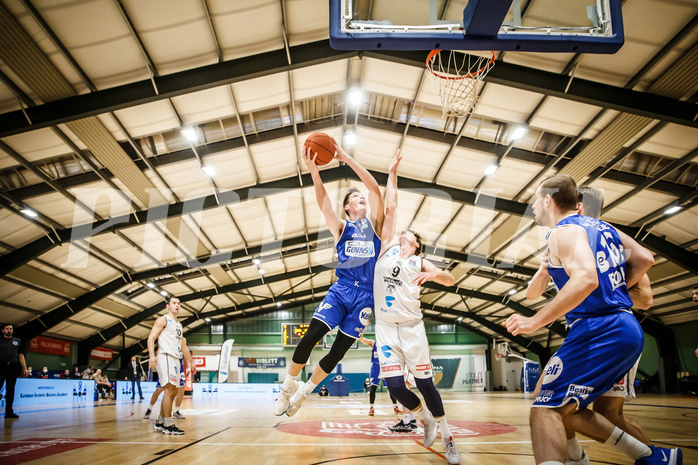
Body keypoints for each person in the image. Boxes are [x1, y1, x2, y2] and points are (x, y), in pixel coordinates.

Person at [505, 174, 680, 465]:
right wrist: (612, 285)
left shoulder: (565, 231)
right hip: (619, 327)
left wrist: (534, 321)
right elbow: (645, 256)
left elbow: (588, 279)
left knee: (546, 408)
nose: (533, 206)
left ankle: (639, 457)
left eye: (535, 200)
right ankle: (645, 458)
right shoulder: (605, 230)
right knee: (572, 407)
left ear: (548, 200)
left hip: (601, 329)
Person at [273, 143, 385, 417]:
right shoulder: (342, 227)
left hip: (366, 297)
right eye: (355, 197)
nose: (362, 197)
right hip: (342, 290)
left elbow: (374, 189)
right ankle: (287, 388)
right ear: (347, 207)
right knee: (311, 335)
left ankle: (303, 393)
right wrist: (314, 171)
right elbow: (323, 203)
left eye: (362, 196)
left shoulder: (376, 226)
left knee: (337, 353)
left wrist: (347, 158)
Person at [368, 151, 460, 463]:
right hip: (384, 328)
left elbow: (450, 279)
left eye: (408, 233)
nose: (401, 230)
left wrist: (434, 273)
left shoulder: (419, 260)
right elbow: (391, 204)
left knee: (424, 383)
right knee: (395, 387)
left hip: (410, 328)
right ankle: (426, 418)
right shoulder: (386, 249)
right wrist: (391, 173)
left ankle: (448, 437)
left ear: (416, 243)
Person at [147, 296, 185, 435]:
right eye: (174, 303)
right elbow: (151, 337)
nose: (177, 305)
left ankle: (161, 421)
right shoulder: (163, 320)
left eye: (179, 303)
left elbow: (183, 345)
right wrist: (151, 355)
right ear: (167, 306)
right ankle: (168, 425)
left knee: (174, 390)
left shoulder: (179, 325)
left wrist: (191, 361)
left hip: (176, 357)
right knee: (169, 389)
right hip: (166, 356)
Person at [143, 338, 195, 420]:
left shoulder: (181, 339)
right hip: (167, 367)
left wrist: (187, 368)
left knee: (181, 388)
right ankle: (150, 409)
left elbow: (184, 355)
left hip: (178, 368)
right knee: (160, 390)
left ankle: (176, 411)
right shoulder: (166, 339)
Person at [358, 336, 399, 417]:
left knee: (391, 388)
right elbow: (361, 338)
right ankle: (371, 408)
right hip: (375, 366)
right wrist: (361, 329)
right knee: (373, 387)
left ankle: (395, 407)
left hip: (385, 366)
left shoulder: (389, 344)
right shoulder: (373, 343)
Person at [0, 323, 27, 419]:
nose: (9, 330)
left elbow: (20, 355)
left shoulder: (17, 341)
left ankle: (9, 412)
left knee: (10, 390)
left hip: (13, 367)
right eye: (7, 328)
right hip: (1, 366)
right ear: (3, 330)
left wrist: (24, 368)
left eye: (11, 329)